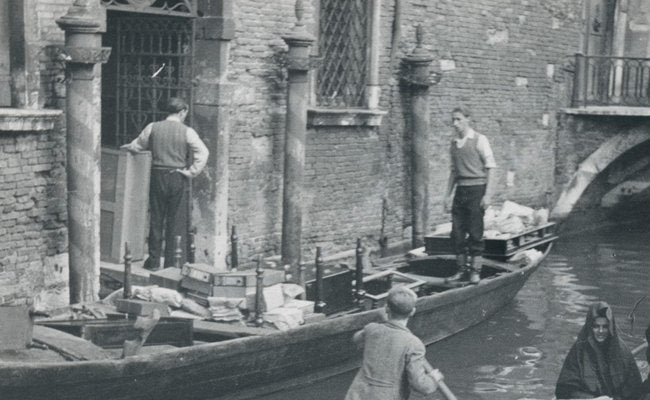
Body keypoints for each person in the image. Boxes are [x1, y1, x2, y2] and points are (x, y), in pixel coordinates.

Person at [122, 97, 209, 270]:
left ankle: (153, 262)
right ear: (182, 112)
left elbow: (137, 146)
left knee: (156, 219)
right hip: (177, 177)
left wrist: (125, 148)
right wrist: (191, 171)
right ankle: (172, 264)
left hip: (157, 176)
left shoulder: (152, 127)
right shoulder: (187, 131)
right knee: (175, 221)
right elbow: (203, 152)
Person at [344, 286, 445, 400]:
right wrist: (433, 379)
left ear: (386, 308)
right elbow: (419, 385)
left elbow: (356, 338)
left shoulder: (371, 329)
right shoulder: (414, 344)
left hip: (357, 395)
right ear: (412, 312)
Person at [443, 106, 496, 284]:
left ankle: (475, 271)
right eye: (453, 120)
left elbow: (491, 168)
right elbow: (453, 171)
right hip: (461, 191)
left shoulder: (479, 140)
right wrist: (447, 196)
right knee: (457, 232)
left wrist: (487, 195)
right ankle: (460, 270)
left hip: (476, 189)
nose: (454, 123)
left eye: (458, 119)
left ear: (468, 119)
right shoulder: (453, 144)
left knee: (475, 232)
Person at [555, 301, 643, 400]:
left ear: (610, 328)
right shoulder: (579, 350)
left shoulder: (623, 351)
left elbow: (636, 392)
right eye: (596, 326)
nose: (600, 331)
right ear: (590, 326)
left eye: (605, 327)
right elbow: (564, 391)